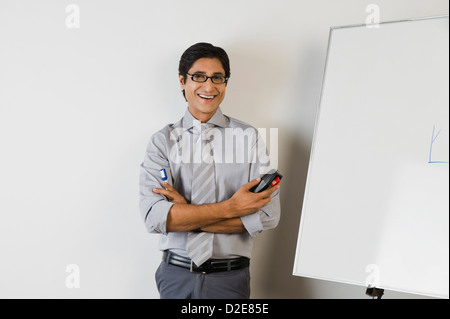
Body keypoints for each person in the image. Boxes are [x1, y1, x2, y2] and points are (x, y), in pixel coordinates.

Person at [139, 42, 281, 299]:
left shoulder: (249, 138)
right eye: (198, 77)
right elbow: (156, 218)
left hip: (229, 279)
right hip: (176, 277)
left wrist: (186, 215)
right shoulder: (162, 141)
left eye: (218, 78)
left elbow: (269, 216)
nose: (209, 86)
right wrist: (233, 208)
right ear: (182, 81)